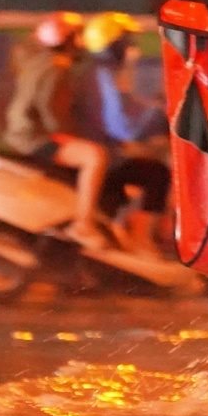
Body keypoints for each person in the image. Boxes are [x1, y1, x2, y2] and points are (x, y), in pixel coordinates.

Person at [0, 11, 110, 247]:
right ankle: (83, 225)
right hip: (35, 138)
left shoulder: (37, 61)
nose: (81, 42)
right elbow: (49, 108)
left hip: (23, 134)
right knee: (94, 156)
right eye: (76, 36)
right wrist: (66, 134)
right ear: (66, 41)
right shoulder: (56, 67)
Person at [69, 13, 171, 256]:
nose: (131, 48)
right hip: (105, 156)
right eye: (126, 42)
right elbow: (124, 126)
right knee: (157, 174)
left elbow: (129, 107)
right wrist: (160, 116)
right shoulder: (101, 76)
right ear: (112, 45)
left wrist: (158, 110)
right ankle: (141, 241)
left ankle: (131, 239)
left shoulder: (101, 72)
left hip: (108, 152)